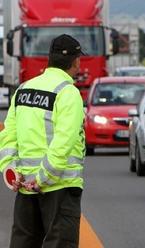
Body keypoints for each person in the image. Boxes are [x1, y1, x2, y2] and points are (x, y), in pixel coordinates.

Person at [0, 34, 85, 248]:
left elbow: (9, 134)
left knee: (23, 243)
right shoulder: (68, 93)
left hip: (24, 187)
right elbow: (63, 142)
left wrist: (10, 170)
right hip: (59, 187)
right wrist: (43, 178)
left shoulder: (23, 89)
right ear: (76, 61)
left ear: (49, 59)